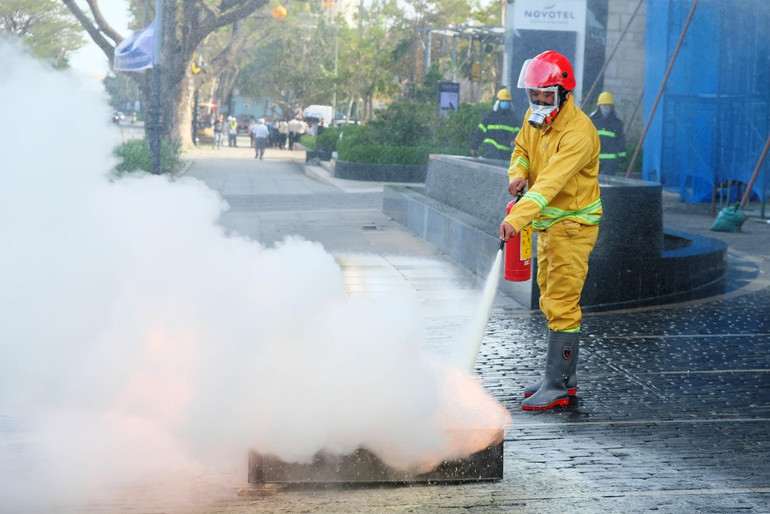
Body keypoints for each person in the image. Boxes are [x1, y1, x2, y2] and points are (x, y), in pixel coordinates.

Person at [499, 50, 602, 411]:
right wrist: (517, 173)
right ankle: (562, 377)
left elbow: (550, 185)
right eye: (534, 94)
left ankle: (557, 385)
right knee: (549, 297)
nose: (539, 101)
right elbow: (522, 150)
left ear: (564, 92)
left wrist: (515, 219)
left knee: (562, 304)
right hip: (549, 225)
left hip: (572, 226)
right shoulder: (534, 117)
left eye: (546, 95)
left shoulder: (579, 133)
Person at [470, 88, 521, 160]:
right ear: (498, 101)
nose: (505, 103)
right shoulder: (490, 116)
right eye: (503, 101)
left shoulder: (513, 118)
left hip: (505, 153)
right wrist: (474, 147)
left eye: (507, 101)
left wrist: (514, 141)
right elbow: (480, 132)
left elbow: (518, 134)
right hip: (491, 150)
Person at [589, 92, 627, 175]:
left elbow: (620, 141)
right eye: (604, 105)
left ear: (611, 107)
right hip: (594, 158)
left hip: (610, 161)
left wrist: (622, 157)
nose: (606, 108)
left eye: (608, 106)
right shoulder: (592, 120)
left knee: (609, 184)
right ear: (599, 106)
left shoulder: (617, 122)